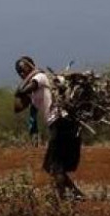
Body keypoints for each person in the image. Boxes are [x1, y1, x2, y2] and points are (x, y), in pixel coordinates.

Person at [14, 56, 84, 200]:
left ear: (31, 65)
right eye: (19, 72)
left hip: (61, 122)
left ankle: (64, 199)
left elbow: (21, 91)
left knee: (53, 165)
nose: (22, 73)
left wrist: (29, 78)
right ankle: (75, 194)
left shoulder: (40, 77)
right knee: (52, 165)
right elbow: (18, 107)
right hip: (59, 124)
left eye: (23, 69)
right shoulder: (34, 89)